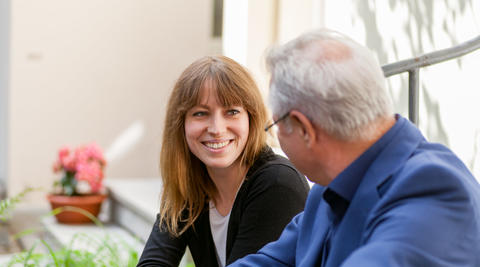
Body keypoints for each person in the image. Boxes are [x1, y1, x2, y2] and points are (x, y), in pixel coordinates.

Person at [229, 29, 480, 266]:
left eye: (275, 124)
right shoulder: (327, 190)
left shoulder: (433, 191)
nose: (275, 136)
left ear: (304, 128)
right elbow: (270, 262)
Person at [137, 55, 310, 267]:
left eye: (232, 112)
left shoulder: (277, 184)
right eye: (200, 113)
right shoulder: (190, 181)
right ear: (181, 125)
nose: (217, 129)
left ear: (251, 118)